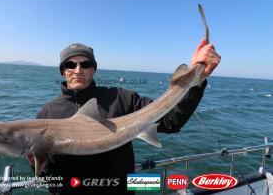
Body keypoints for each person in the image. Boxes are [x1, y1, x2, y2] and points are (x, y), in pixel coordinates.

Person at [32, 40, 220, 195]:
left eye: (86, 64)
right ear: (63, 71)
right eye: (70, 64)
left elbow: (170, 121)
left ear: (94, 69)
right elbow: (46, 176)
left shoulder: (122, 98)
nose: (78, 70)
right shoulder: (46, 115)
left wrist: (196, 81)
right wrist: (36, 161)